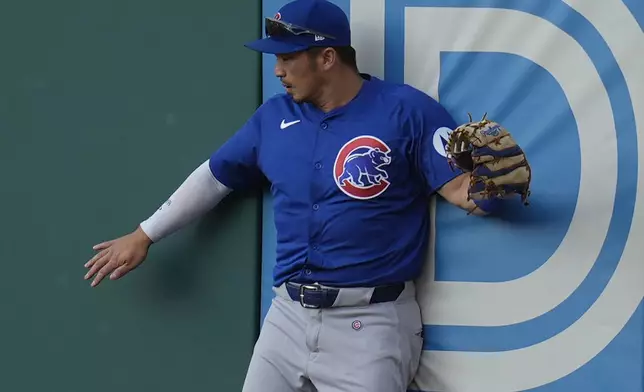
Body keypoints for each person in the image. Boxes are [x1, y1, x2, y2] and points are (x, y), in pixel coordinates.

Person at [83, 0, 505, 390]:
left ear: (326, 57)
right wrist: (144, 235)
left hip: (371, 323)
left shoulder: (407, 110)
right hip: (287, 316)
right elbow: (214, 177)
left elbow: (460, 190)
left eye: (286, 58)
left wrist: (497, 185)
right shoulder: (274, 118)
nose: (277, 71)